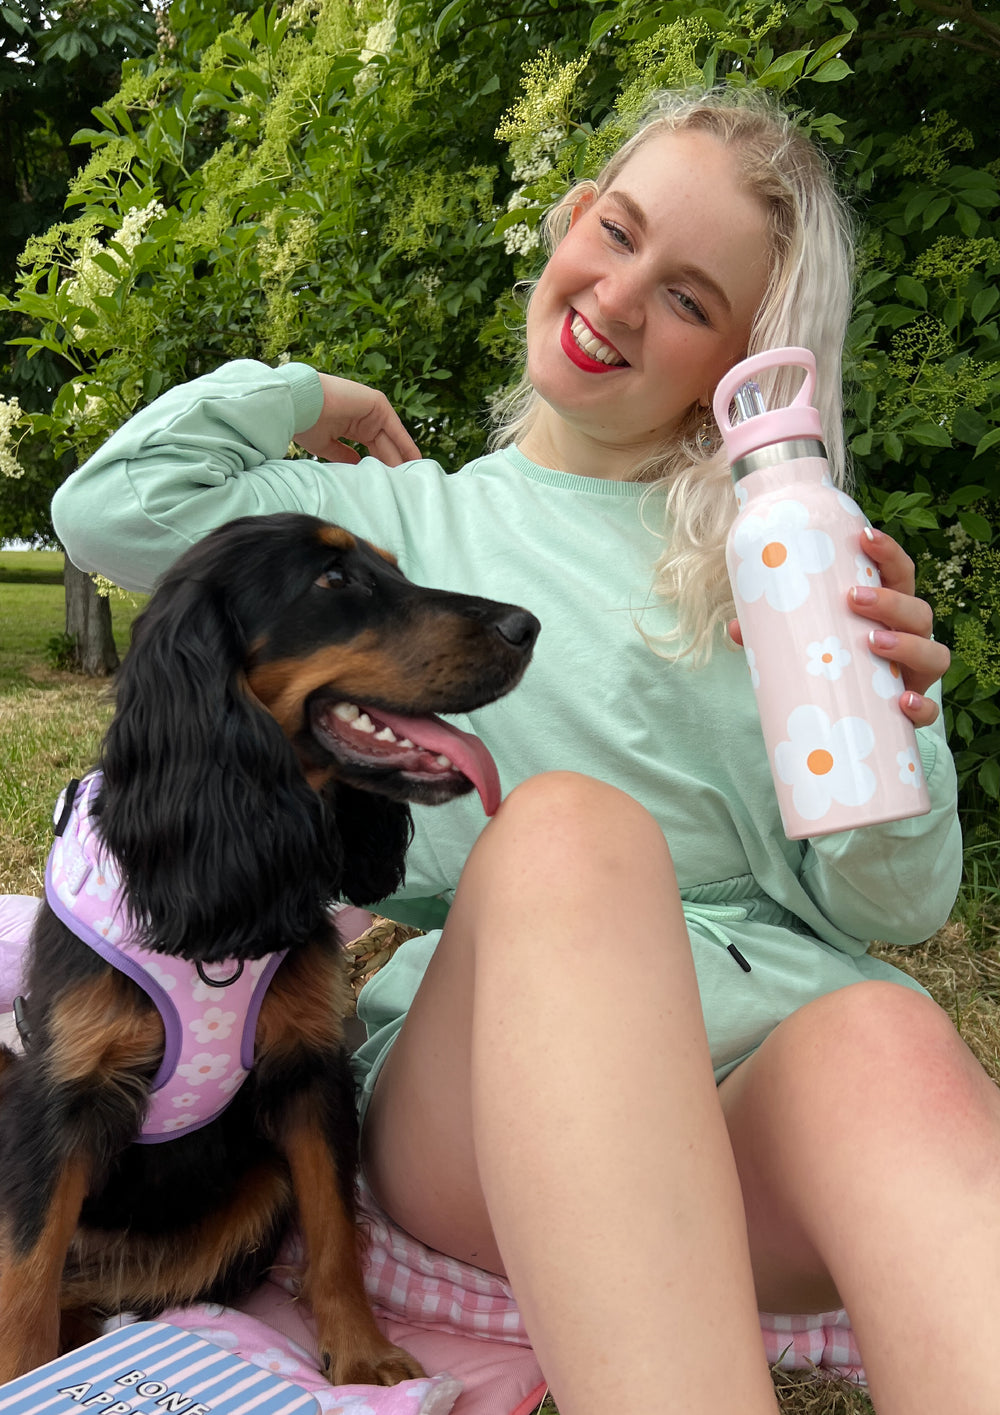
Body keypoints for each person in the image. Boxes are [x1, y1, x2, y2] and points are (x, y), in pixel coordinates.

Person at [50, 88, 996, 1415]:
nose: (621, 298)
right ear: (569, 219)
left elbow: (891, 905)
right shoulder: (388, 537)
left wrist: (892, 710)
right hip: (490, 1090)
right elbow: (108, 508)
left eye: (689, 299)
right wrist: (309, 393)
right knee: (565, 830)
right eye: (617, 233)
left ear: (740, 368)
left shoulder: (773, 560)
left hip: (751, 1088)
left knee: (885, 1037)